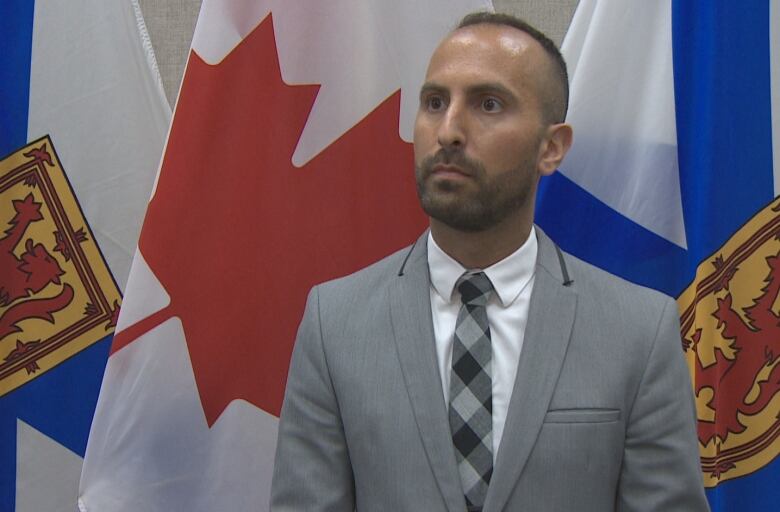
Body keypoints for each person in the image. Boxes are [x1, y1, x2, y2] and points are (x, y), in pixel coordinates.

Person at [271, 11, 709, 512]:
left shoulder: (638, 331)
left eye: (489, 104)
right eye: (434, 102)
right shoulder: (335, 323)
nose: (449, 131)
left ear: (552, 148)